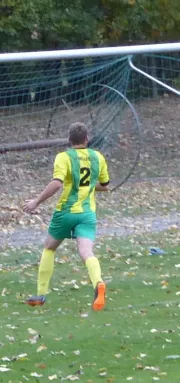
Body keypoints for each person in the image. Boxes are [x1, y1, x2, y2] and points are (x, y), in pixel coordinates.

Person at [23, 122, 110, 311]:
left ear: (69, 140)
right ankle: (98, 283)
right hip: (87, 213)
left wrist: (36, 201)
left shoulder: (63, 157)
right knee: (86, 252)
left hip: (66, 212)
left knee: (49, 247)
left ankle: (41, 294)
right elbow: (104, 185)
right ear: (87, 139)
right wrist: (88, 186)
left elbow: (56, 183)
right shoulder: (98, 157)